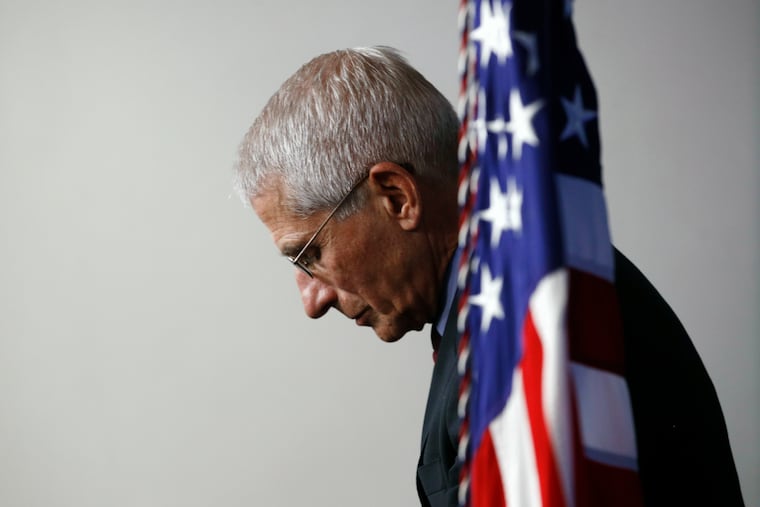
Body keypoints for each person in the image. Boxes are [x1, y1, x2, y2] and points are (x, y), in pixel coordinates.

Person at [235, 46, 744, 507]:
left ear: (396, 196)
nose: (312, 299)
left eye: (309, 253)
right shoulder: (519, 290)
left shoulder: (528, 339)